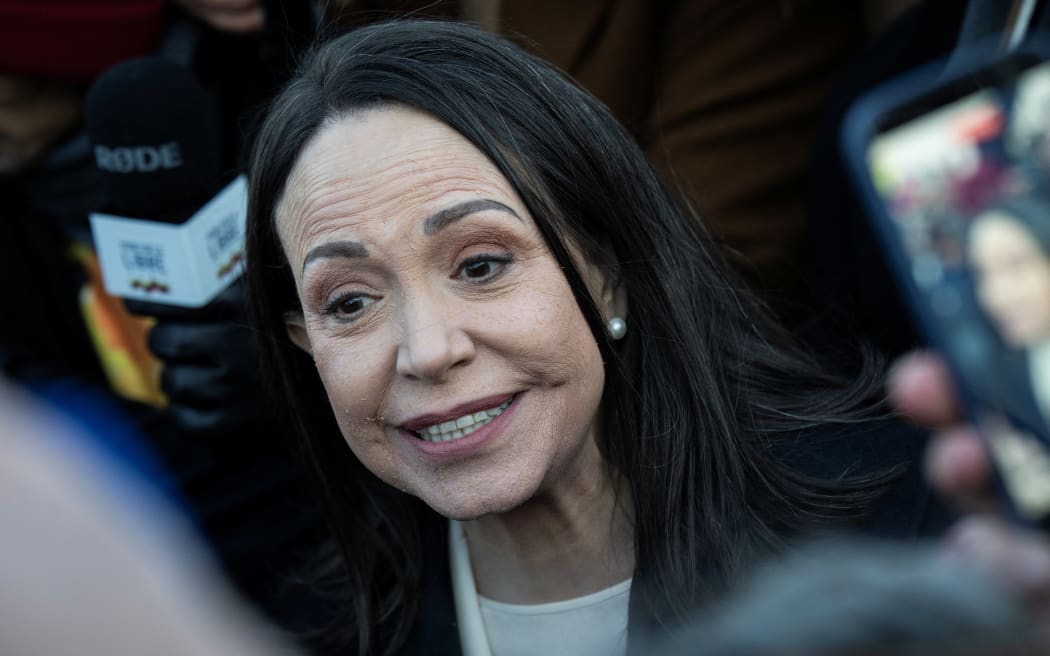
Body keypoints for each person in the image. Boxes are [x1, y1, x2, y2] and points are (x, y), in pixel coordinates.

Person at [244, 20, 953, 655]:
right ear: (305, 346)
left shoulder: (917, 539)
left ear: (610, 275)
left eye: (482, 265)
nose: (428, 350)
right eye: (351, 303)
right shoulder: (307, 631)